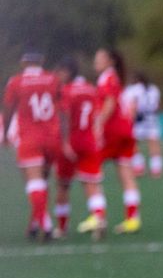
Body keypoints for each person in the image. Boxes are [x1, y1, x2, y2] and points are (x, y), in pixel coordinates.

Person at [3, 50, 62, 240]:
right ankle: (34, 223)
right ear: (42, 61)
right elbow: (61, 104)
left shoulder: (16, 81)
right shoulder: (53, 79)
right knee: (43, 182)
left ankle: (46, 225)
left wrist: (4, 134)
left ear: (23, 63)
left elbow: (9, 108)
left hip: (30, 138)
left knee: (33, 181)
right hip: (52, 138)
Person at [82, 48, 142, 234]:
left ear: (110, 61)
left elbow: (109, 102)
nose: (95, 61)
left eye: (99, 58)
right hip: (125, 131)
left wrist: (98, 124)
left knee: (89, 171)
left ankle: (98, 216)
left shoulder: (107, 78)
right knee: (126, 175)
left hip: (111, 132)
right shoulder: (115, 78)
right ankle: (132, 219)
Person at [53, 57, 108, 239]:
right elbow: (98, 114)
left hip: (72, 141)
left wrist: (66, 142)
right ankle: (99, 217)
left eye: (59, 72)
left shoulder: (66, 91)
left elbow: (65, 117)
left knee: (63, 185)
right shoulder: (91, 89)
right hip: (90, 140)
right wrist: (98, 135)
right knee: (92, 184)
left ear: (67, 72)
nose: (57, 75)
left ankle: (62, 227)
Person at [123, 72, 163, 177]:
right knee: (154, 144)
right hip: (152, 119)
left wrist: (130, 118)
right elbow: (158, 105)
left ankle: (139, 167)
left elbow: (133, 105)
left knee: (133, 144)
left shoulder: (134, 89)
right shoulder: (154, 89)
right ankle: (156, 169)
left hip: (139, 119)